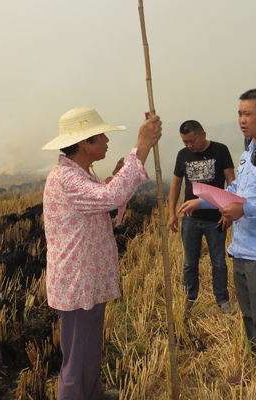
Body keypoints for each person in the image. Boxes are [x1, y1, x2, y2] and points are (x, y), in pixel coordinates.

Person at [178, 89, 256, 385]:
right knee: (249, 316)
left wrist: (244, 209)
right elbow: (235, 194)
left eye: (247, 114)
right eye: (239, 114)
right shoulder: (249, 153)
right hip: (243, 248)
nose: (241, 120)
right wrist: (204, 200)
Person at [41, 107, 162, 400]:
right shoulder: (66, 178)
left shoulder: (77, 174)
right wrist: (142, 146)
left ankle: (92, 392)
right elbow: (112, 197)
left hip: (88, 279)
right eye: (102, 136)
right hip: (78, 282)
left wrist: (117, 176)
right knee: (77, 358)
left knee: (89, 347)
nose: (107, 141)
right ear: (84, 143)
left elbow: (98, 201)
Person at [168, 120, 235, 314]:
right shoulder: (183, 155)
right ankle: (189, 298)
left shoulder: (220, 150)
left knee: (219, 262)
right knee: (190, 262)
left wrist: (229, 209)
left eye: (192, 140)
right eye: (185, 142)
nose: (189, 145)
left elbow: (231, 181)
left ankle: (222, 299)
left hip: (216, 217)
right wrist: (172, 213)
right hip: (190, 218)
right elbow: (175, 185)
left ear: (203, 134)